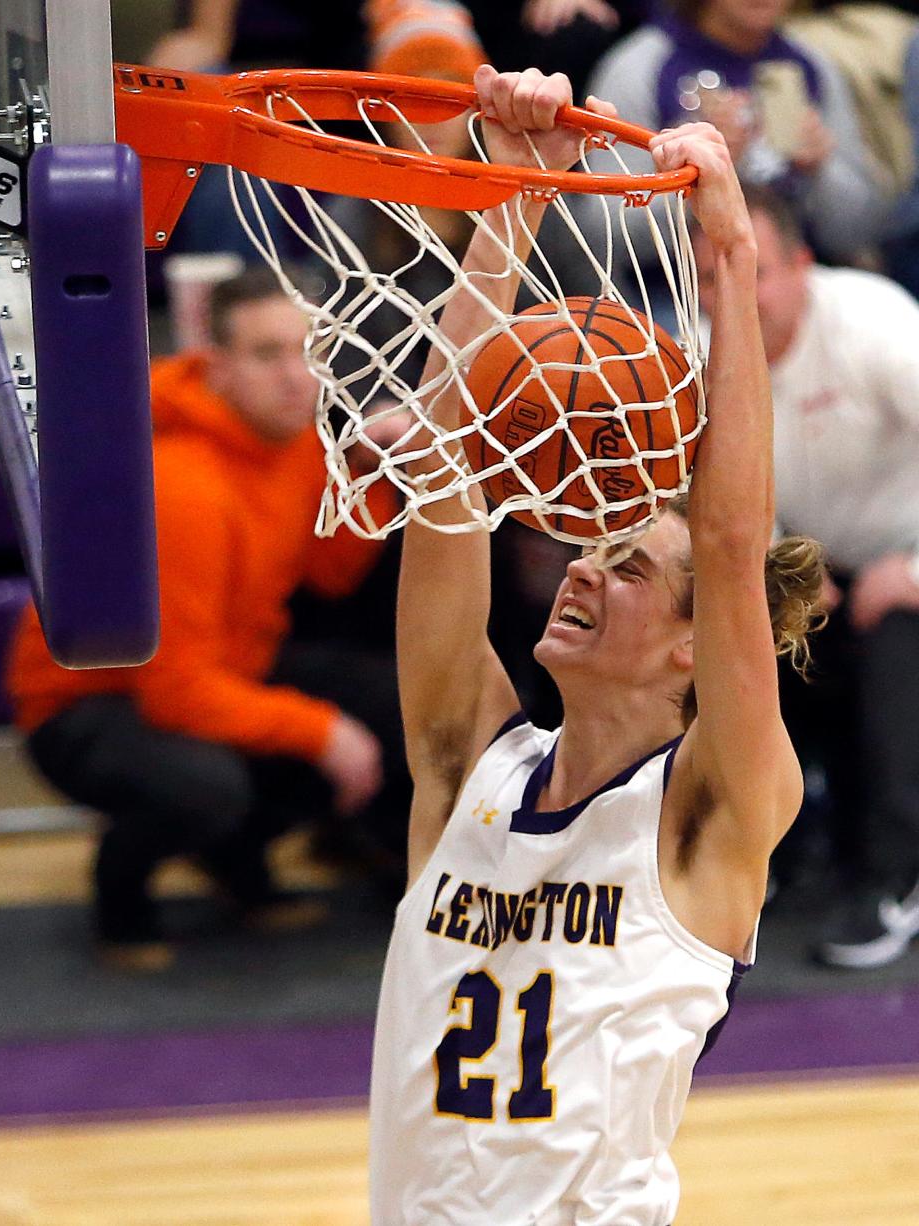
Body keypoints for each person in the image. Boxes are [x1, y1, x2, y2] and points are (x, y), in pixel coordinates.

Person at [368, 65, 824, 1223]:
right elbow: (438, 463)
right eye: (593, 549)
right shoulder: (465, 761)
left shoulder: (708, 810)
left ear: (691, 651)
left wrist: (729, 260)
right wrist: (518, 191)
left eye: (628, 569)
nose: (581, 564)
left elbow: (727, 543)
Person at [6, 269, 404, 970]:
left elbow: (330, 572)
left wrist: (365, 470)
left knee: (383, 702)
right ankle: (120, 898)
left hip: (217, 668)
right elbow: (175, 692)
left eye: (308, 352)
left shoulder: (293, 441)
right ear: (217, 367)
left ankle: (237, 866)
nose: (295, 376)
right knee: (210, 784)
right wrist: (324, 732)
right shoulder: (184, 482)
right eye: (267, 354)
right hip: (85, 704)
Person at [693, 187, 919, 968]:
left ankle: (898, 882)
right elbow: (715, 496)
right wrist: (781, 563)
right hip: (817, 567)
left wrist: (914, 571)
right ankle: (769, 859)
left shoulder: (877, 326)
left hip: (907, 562)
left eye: (747, 270)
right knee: (732, 642)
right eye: (712, 277)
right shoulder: (701, 353)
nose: (730, 295)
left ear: (799, 264)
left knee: (896, 644)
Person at [580, 0, 887, 280]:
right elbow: (604, 234)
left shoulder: (813, 66)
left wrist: (821, 170)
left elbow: (861, 231)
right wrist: (692, 177)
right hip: (678, 294)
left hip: (800, 283)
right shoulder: (639, 67)